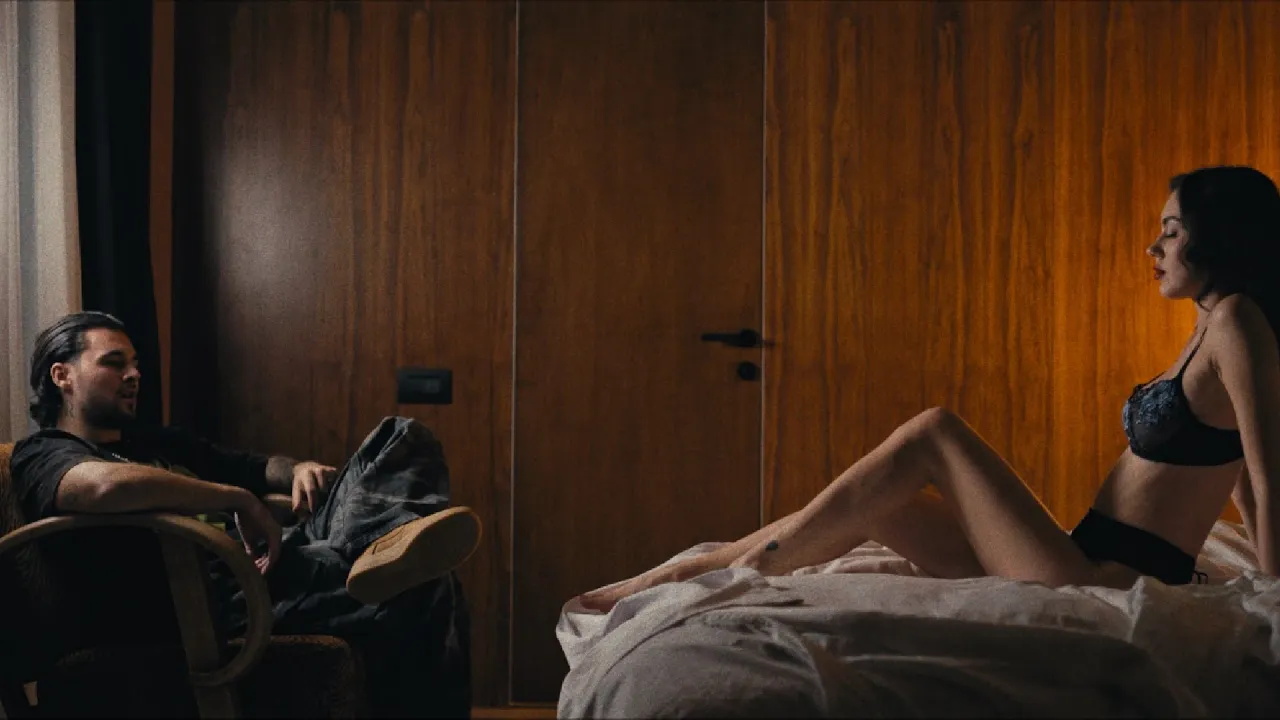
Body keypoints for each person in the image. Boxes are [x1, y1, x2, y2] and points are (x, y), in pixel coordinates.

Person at [582, 164, 1280, 612]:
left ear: (1216, 238)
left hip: (1099, 582)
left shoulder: (1238, 322)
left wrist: (1274, 604)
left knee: (935, 431)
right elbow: (1236, 477)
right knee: (874, 502)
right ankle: (695, 570)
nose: (1154, 249)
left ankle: (710, 576)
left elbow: (1265, 477)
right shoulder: (1209, 323)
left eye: (1170, 232)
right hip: (1075, 554)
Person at [10, 311, 482, 717]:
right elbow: (99, 486)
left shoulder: (158, 443)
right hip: (213, 598)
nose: (134, 374)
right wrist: (236, 499)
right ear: (62, 376)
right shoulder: (44, 452)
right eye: (115, 363)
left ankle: (369, 551)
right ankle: (367, 555)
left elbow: (258, 467)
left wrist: (297, 469)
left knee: (400, 435)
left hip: (274, 562)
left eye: (135, 364)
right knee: (428, 584)